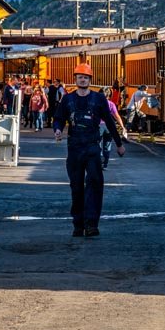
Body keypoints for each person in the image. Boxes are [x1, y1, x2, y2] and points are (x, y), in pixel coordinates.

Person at [53, 63, 125, 237]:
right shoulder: (68, 99)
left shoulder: (98, 99)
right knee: (76, 186)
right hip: (75, 148)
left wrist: (118, 143)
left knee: (95, 184)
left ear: (90, 80)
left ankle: (92, 224)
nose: (83, 79)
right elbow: (59, 118)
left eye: (85, 77)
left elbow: (109, 121)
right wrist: (57, 129)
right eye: (80, 77)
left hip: (92, 147)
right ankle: (78, 224)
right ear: (75, 79)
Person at [100, 98, 125, 169]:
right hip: (109, 126)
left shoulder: (97, 103)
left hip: (98, 126)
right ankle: (105, 164)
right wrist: (122, 126)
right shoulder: (111, 104)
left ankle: (100, 159)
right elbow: (117, 116)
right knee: (107, 145)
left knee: (97, 143)